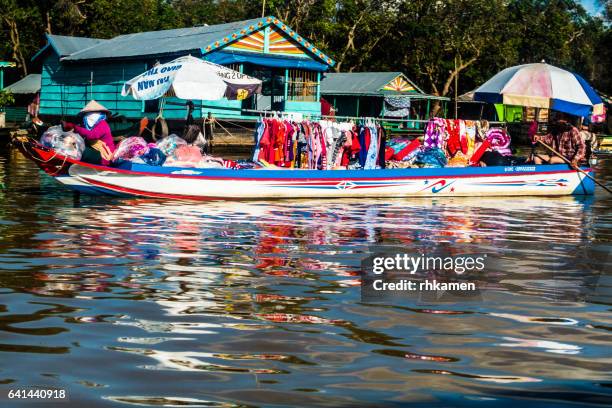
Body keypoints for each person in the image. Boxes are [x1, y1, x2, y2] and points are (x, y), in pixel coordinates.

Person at [62, 100, 115, 165]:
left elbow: (92, 135)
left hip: (105, 157)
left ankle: (70, 162)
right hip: (97, 152)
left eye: (93, 113)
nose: (89, 116)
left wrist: (75, 127)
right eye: (87, 114)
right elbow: (82, 133)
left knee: (83, 151)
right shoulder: (89, 126)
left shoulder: (102, 124)